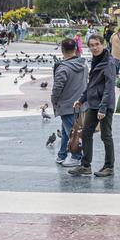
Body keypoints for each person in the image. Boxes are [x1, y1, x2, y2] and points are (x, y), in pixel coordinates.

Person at [68, 35, 118, 178]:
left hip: (104, 105)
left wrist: (103, 108)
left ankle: (109, 167)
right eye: (91, 45)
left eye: (97, 44)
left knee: (105, 135)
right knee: (86, 133)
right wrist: (82, 99)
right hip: (93, 103)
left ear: (103, 44)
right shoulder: (97, 60)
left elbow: (109, 87)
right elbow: (92, 84)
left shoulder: (109, 62)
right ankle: (85, 166)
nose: (94, 48)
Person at [50, 37, 87, 168]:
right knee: (67, 131)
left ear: (62, 50)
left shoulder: (63, 68)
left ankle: (76, 157)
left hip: (66, 105)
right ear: (76, 49)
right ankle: (62, 155)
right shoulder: (83, 64)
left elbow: (57, 88)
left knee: (73, 133)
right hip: (80, 103)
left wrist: (54, 100)